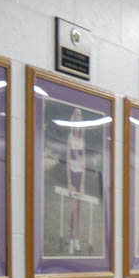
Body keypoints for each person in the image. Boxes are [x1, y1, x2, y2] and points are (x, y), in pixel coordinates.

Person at [64, 107, 88, 254]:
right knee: (72, 210)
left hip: (80, 176)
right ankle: (71, 239)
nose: (78, 122)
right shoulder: (70, 138)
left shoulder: (83, 140)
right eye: (76, 119)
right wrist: (69, 182)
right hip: (72, 175)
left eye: (80, 120)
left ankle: (77, 240)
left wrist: (83, 184)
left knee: (78, 210)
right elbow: (67, 160)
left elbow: (84, 163)